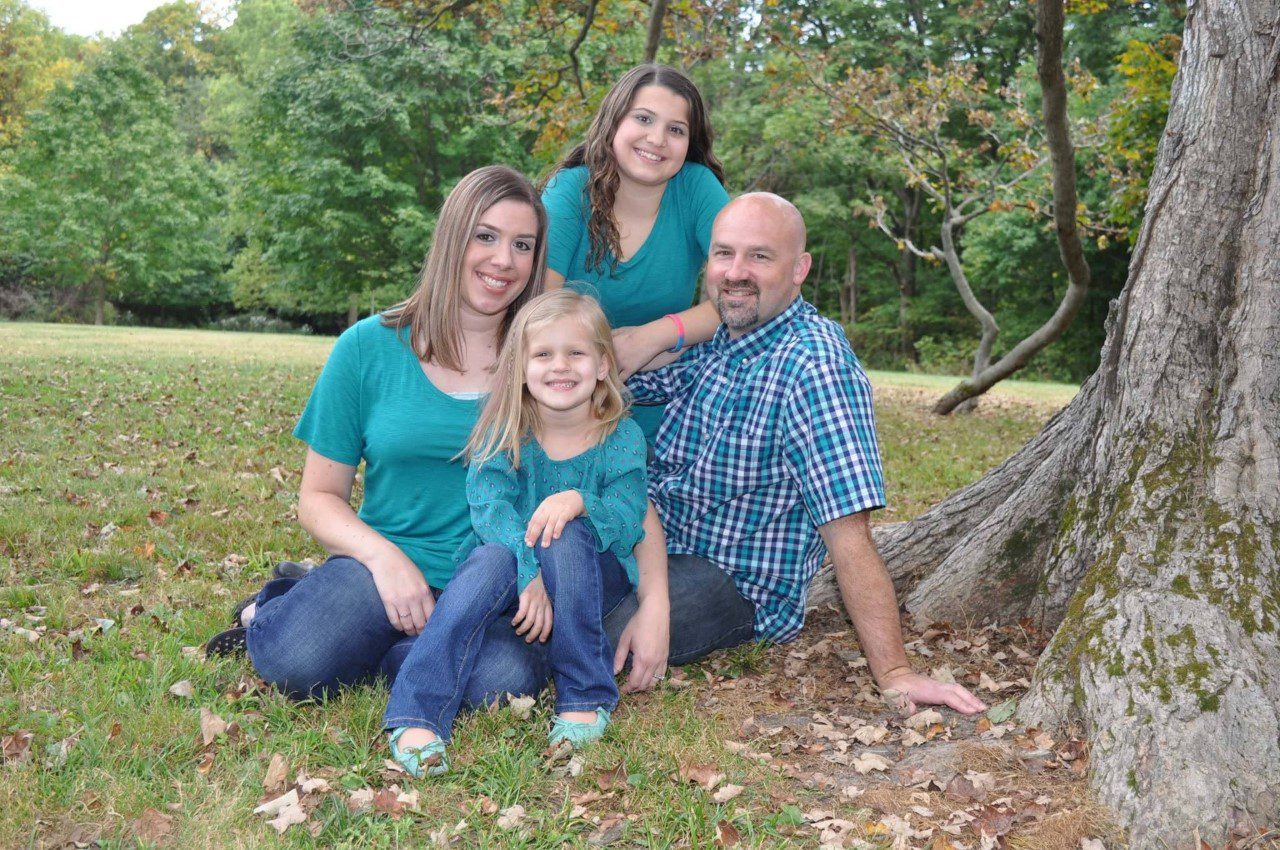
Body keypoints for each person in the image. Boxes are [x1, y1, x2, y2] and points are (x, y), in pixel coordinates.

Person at [204, 166, 662, 708]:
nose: (503, 261)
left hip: (500, 581)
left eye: (522, 245)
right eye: (485, 236)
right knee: (298, 662)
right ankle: (287, 602)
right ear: (451, 238)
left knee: (503, 681)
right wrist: (386, 561)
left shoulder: (550, 363)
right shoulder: (367, 348)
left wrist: (655, 605)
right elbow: (318, 497)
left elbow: (622, 491)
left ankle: (399, 650)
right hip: (384, 567)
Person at [625, 193, 988, 715]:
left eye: (759, 257)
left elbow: (849, 534)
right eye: (724, 254)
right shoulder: (724, 337)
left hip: (726, 581)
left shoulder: (813, 368)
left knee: (592, 627)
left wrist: (894, 673)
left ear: (799, 269)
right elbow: (622, 378)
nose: (736, 272)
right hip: (656, 540)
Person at [382, 290, 655, 776]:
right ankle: (417, 712)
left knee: (564, 530)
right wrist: (532, 572)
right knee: (491, 557)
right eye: (543, 354)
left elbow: (629, 513)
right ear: (521, 368)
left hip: (592, 577)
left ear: (602, 365)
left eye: (576, 352)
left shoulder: (622, 436)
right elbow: (489, 511)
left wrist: (576, 501)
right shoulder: (504, 431)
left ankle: (583, 696)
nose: (560, 366)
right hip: (513, 582)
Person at [541, 64, 730, 440]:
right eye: (643, 118)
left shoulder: (696, 189)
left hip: (670, 421)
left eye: (676, 129)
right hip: (568, 411)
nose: (657, 138)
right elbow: (538, 307)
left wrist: (657, 336)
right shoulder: (570, 191)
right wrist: (606, 353)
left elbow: (740, 297)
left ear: (689, 143)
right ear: (614, 122)